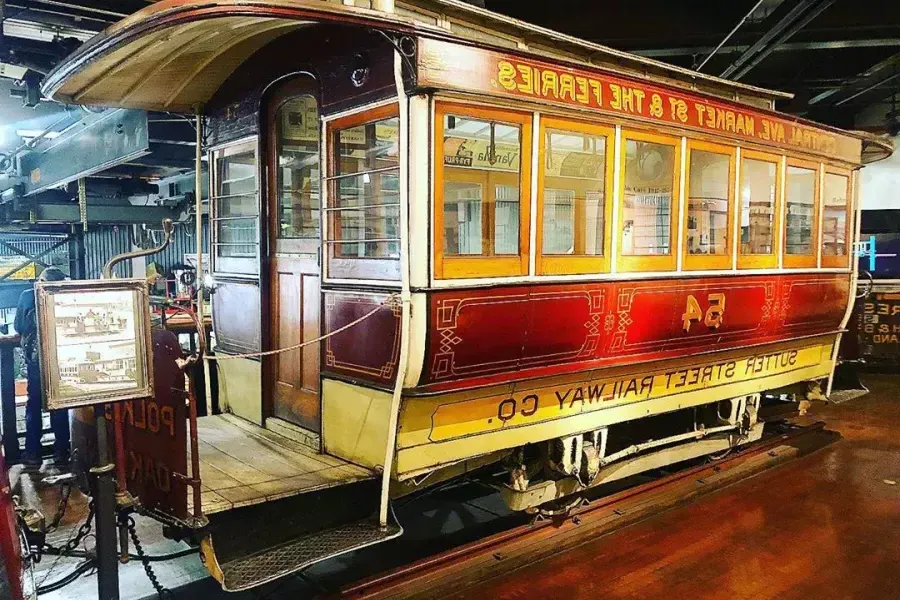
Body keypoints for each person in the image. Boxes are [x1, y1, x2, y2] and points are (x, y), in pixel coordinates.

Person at [13, 267, 70, 470]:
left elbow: (18, 326)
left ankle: (33, 453)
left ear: (40, 280)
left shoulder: (28, 295)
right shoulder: (63, 295)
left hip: (36, 361)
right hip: (60, 358)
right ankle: (62, 452)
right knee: (60, 405)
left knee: (34, 406)